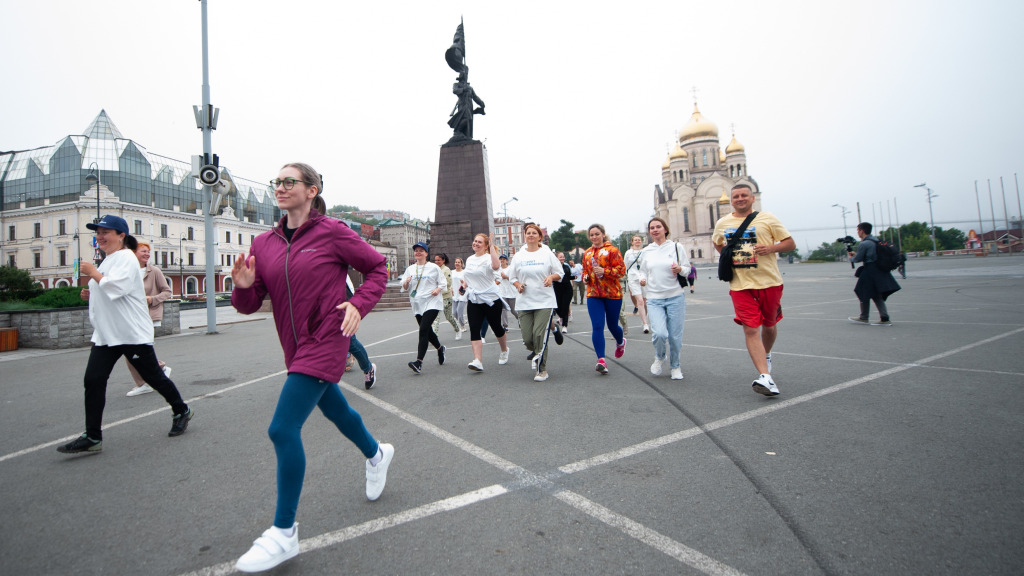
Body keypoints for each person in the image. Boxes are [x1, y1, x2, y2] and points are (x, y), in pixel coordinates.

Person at [230, 163, 392, 573]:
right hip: (293, 343)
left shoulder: (333, 231)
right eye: (277, 182)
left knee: (282, 429)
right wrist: (243, 287)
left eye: (290, 182)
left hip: (327, 336)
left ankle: (284, 533)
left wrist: (358, 304)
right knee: (334, 408)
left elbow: (377, 269)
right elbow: (251, 304)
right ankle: (376, 454)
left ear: (311, 190)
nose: (281, 187)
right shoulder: (263, 243)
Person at [57, 215, 193, 455]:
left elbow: (117, 288)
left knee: (154, 377)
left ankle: (181, 410)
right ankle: (92, 436)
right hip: (107, 335)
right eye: (97, 232)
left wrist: (92, 273)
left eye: (105, 232)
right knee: (93, 380)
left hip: (131, 333)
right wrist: (91, 293)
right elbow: (109, 287)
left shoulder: (127, 258)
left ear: (121, 236)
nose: (99, 236)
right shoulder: (108, 260)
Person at [712, 184, 795, 397]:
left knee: (769, 325)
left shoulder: (767, 218)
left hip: (769, 282)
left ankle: (766, 355)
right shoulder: (723, 222)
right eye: (736, 196)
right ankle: (765, 377)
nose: (740, 199)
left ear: (752, 199)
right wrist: (728, 256)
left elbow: (790, 243)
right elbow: (718, 243)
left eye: (744, 195)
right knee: (750, 329)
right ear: (731, 200)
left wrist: (771, 248)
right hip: (740, 284)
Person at [509, 224, 564, 381]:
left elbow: (560, 273)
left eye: (534, 233)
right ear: (524, 236)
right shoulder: (519, 256)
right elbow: (512, 277)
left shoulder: (546, 254)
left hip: (544, 301)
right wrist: (518, 285)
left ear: (539, 237)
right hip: (524, 301)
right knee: (528, 339)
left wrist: (550, 278)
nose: (531, 235)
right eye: (528, 233)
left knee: (539, 334)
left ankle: (542, 370)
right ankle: (537, 349)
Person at [639, 218, 690, 380]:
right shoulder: (646, 251)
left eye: (658, 227)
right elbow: (643, 271)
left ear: (665, 229)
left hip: (675, 297)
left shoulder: (676, 247)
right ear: (649, 232)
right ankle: (660, 356)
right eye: (652, 228)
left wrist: (680, 268)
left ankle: (675, 366)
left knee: (675, 336)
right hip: (654, 298)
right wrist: (642, 278)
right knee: (659, 333)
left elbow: (688, 270)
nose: (655, 230)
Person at [124, 240, 173, 397]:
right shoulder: (127, 271)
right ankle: (157, 370)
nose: (146, 254)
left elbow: (167, 292)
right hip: (130, 316)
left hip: (148, 315)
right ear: (133, 253)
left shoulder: (154, 271)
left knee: (137, 350)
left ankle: (146, 381)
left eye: (148, 251)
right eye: (142, 251)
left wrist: (152, 299)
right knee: (131, 350)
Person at [582, 224, 627, 375]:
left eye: (597, 234)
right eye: (592, 235)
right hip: (594, 294)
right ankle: (601, 359)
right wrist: (585, 277)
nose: (594, 237)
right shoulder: (587, 253)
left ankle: (620, 342)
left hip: (612, 293)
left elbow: (621, 270)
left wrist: (605, 271)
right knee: (597, 326)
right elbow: (584, 272)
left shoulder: (612, 250)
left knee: (613, 325)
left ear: (603, 234)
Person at [463, 233, 510, 371]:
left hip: (491, 299)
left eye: (480, 242)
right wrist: (464, 286)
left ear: (485, 246)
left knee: (496, 327)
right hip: (474, 299)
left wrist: (492, 247)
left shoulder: (489, 257)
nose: (476, 243)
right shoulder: (470, 259)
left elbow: (496, 266)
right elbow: (469, 276)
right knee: (474, 328)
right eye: (475, 241)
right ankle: (477, 360)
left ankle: (504, 350)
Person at [401, 242, 446, 374]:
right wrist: (406, 282)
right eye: (416, 251)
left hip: (432, 302)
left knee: (423, 329)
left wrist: (437, 289)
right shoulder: (410, 269)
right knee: (427, 331)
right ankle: (440, 348)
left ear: (426, 253)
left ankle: (419, 362)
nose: (418, 252)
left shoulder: (433, 267)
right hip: (417, 304)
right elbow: (404, 288)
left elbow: (442, 282)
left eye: (421, 250)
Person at [847, 222, 901, 325]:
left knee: (862, 291)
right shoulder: (876, 241)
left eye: (858, 230)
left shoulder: (864, 243)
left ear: (862, 231)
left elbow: (858, 259)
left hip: (870, 270)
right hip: (879, 269)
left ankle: (864, 317)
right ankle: (884, 318)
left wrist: (851, 258)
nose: (857, 232)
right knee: (876, 294)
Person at [345, 276, 376, 390]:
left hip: (342, 305)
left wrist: (353, 306)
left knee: (350, 342)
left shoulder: (337, 266)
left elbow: (348, 288)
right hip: (321, 307)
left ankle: (368, 368)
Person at [431, 253, 463, 340]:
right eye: (436, 260)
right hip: (436, 297)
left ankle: (457, 329)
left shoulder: (446, 270)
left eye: (439, 260)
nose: (437, 261)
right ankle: (434, 337)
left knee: (449, 317)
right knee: (436, 318)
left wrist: (438, 289)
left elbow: (448, 284)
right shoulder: (434, 269)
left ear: (443, 260)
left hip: (445, 297)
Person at [623, 234, 651, 334]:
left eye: (639, 240)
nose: (637, 241)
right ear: (632, 242)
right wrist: (626, 277)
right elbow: (625, 265)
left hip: (643, 277)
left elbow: (648, 265)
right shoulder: (628, 253)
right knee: (640, 300)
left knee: (645, 301)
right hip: (633, 277)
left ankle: (645, 318)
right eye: (635, 240)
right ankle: (645, 324)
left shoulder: (645, 252)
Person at [552, 251, 573, 338]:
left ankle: (565, 325)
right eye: (560, 257)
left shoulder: (567, 266)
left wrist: (575, 277)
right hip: (557, 289)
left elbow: (569, 276)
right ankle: (561, 317)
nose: (562, 258)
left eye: (563, 257)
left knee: (565, 306)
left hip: (567, 289)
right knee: (557, 307)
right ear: (556, 258)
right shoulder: (553, 267)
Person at [497, 254, 519, 329]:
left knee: (513, 310)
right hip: (502, 292)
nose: (502, 260)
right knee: (503, 309)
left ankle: (519, 319)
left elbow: (514, 279)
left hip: (511, 292)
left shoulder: (510, 269)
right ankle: (505, 326)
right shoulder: (498, 269)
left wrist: (505, 277)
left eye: (503, 259)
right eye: (501, 259)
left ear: (506, 261)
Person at [451, 257, 469, 335]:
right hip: (455, 294)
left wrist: (463, 283)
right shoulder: (452, 272)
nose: (457, 263)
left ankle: (463, 326)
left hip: (462, 295)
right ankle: (462, 320)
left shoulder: (464, 273)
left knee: (459, 311)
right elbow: (450, 282)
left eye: (459, 262)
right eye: (456, 262)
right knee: (454, 312)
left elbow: (468, 283)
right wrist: (451, 289)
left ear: (462, 264)